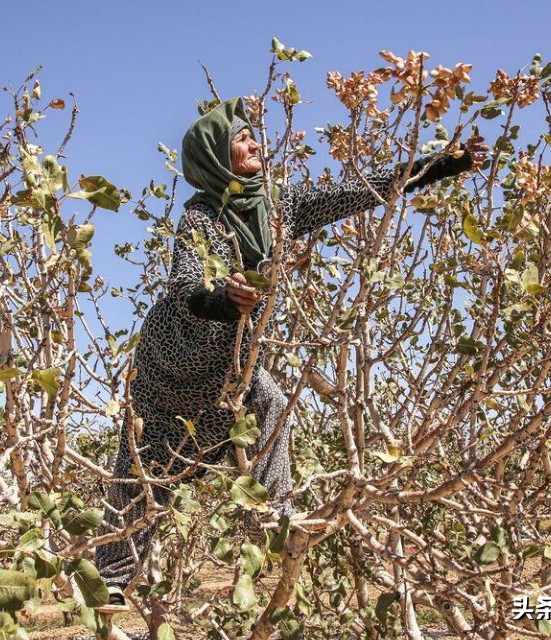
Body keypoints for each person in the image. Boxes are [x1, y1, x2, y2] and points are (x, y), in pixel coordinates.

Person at [95, 97, 477, 607]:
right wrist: (221, 299)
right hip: (174, 355)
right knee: (143, 463)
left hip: (230, 359)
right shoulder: (201, 217)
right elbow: (184, 280)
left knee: (270, 406)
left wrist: (440, 166)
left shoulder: (278, 207)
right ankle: (114, 579)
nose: (255, 144)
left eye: (254, 136)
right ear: (212, 157)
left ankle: (272, 523)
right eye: (240, 140)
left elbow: (355, 193)